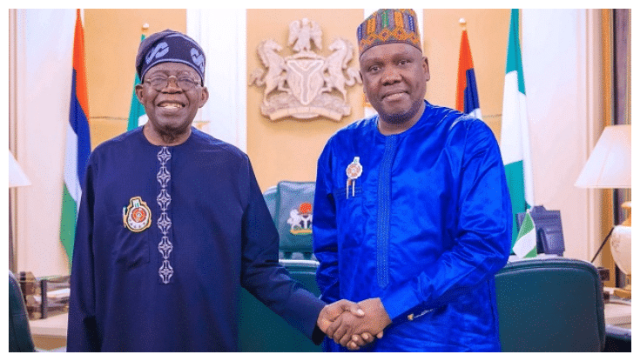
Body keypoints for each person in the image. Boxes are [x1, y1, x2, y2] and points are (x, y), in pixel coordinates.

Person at [67, 29, 369, 352]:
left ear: (202, 96)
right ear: (141, 93)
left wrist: (318, 314)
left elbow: (260, 269)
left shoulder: (232, 166)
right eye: (158, 78)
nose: (171, 87)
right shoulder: (104, 163)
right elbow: (85, 280)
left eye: (185, 78)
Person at [313, 9, 513, 351]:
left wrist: (389, 308)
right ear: (362, 81)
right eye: (374, 68)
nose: (389, 76)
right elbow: (330, 253)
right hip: (360, 345)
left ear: (425, 68)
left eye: (402, 62)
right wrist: (348, 322)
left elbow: (484, 245)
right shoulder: (340, 149)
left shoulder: (465, 138)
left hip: (451, 341)